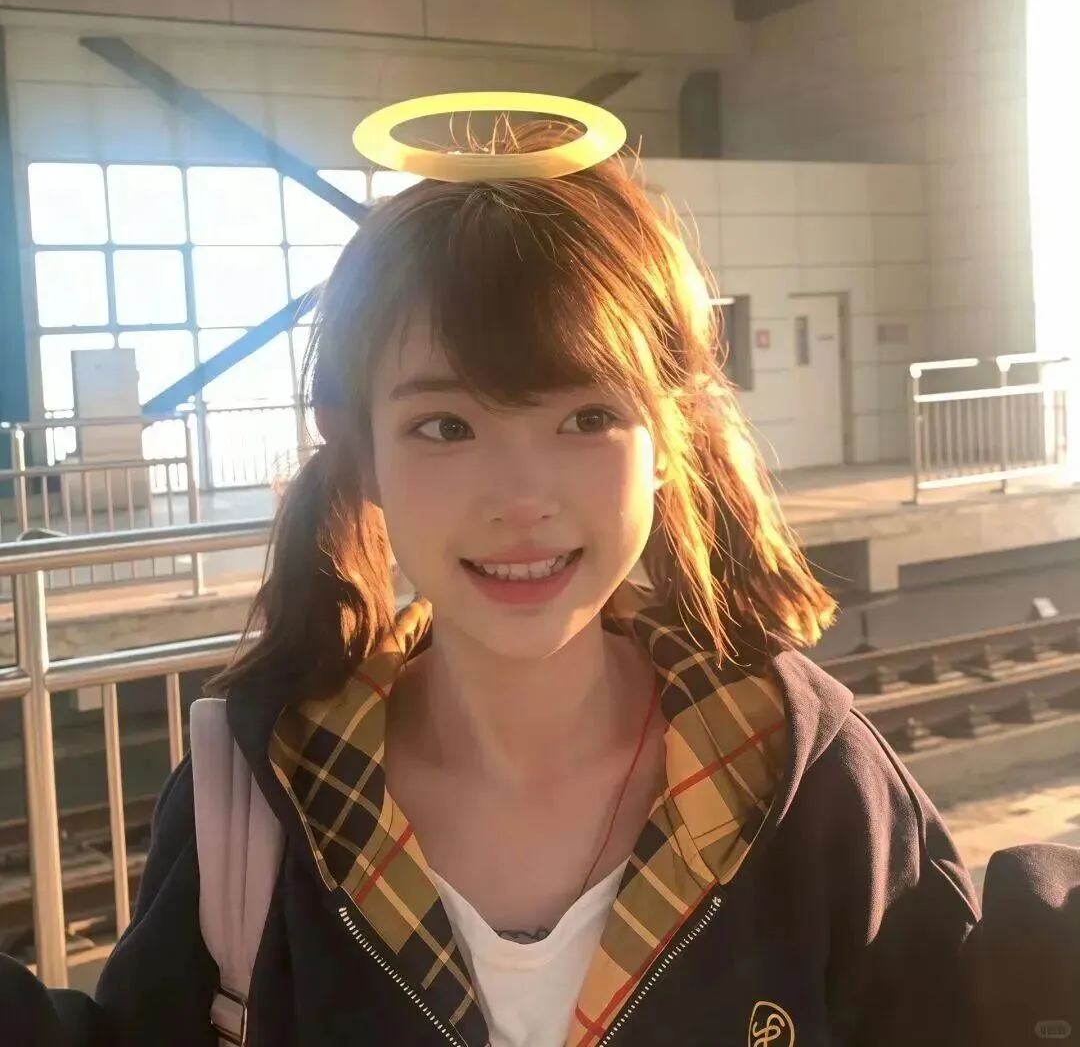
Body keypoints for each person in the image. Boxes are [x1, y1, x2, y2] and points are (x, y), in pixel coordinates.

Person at [0, 101, 1052, 1047]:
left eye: (587, 417)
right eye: (445, 426)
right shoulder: (258, 799)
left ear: (670, 438)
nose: (520, 498)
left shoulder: (803, 778)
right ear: (359, 453)